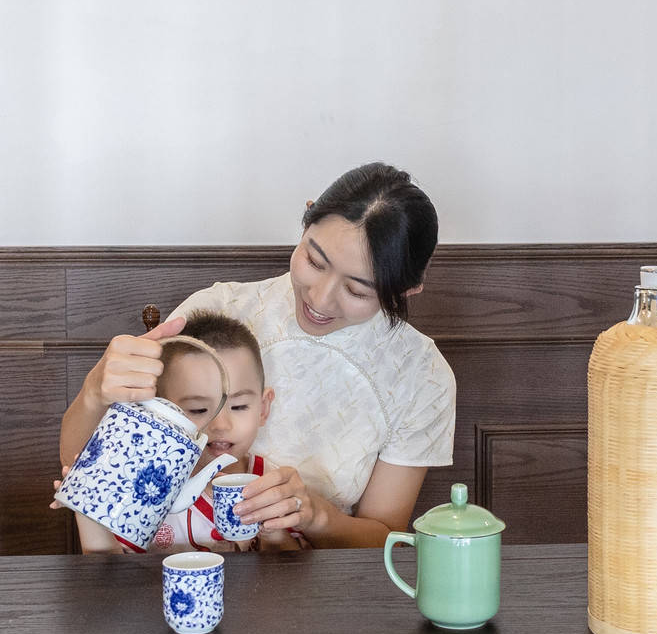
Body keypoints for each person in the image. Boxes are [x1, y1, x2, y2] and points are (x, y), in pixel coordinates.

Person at [61, 162, 456, 548]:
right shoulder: (219, 312)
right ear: (305, 220)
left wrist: (317, 517)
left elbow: (383, 536)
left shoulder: (420, 374)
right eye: (314, 262)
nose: (320, 298)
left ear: (406, 292)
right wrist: (96, 390)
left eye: (357, 291)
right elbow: (89, 473)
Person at [65, 310, 302, 554]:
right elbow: (108, 572)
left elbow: (291, 574)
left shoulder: (273, 484)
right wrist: (88, 514)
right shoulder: (146, 485)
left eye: (239, 406)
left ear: (263, 409)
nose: (221, 425)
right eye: (197, 409)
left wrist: (274, 533)